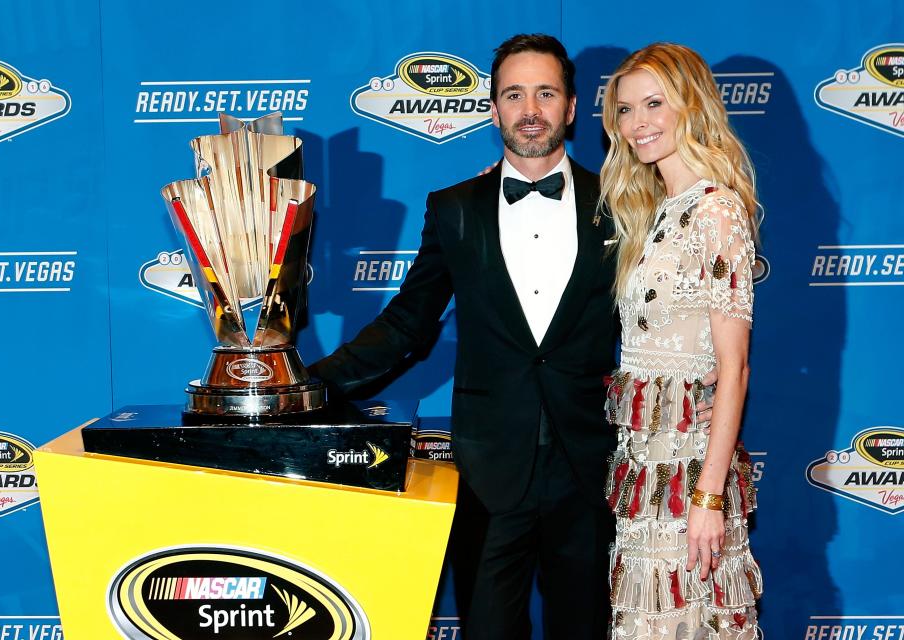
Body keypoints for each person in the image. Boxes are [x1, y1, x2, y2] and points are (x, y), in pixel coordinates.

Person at [311, 34, 619, 640]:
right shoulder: (454, 208)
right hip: (488, 469)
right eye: (514, 95)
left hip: (590, 466)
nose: (531, 109)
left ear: (573, 106)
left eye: (546, 93)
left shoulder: (622, 203)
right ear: (494, 107)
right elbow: (408, 323)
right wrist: (307, 386)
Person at [599, 43, 763, 639]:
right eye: (624, 109)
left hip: (691, 471)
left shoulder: (718, 212)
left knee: (693, 618)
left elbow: (734, 365)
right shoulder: (654, 209)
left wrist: (710, 496)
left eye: (653, 103)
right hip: (644, 475)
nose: (637, 123)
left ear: (690, 105)